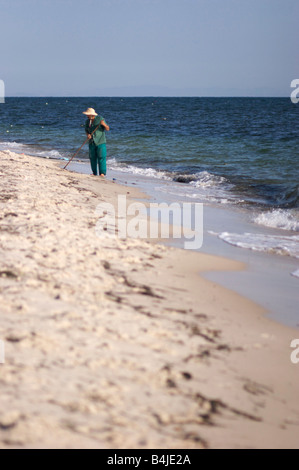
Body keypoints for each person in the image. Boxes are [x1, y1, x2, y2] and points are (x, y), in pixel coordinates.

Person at [83, 107, 110, 177]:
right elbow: (86, 130)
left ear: (92, 115)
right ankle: (94, 172)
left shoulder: (100, 119)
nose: (87, 116)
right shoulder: (87, 121)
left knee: (101, 157)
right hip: (92, 142)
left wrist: (103, 124)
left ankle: (102, 173)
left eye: (88, 115)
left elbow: (107, 129)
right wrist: (88, 135)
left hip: (100, 141)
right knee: (92, 158)